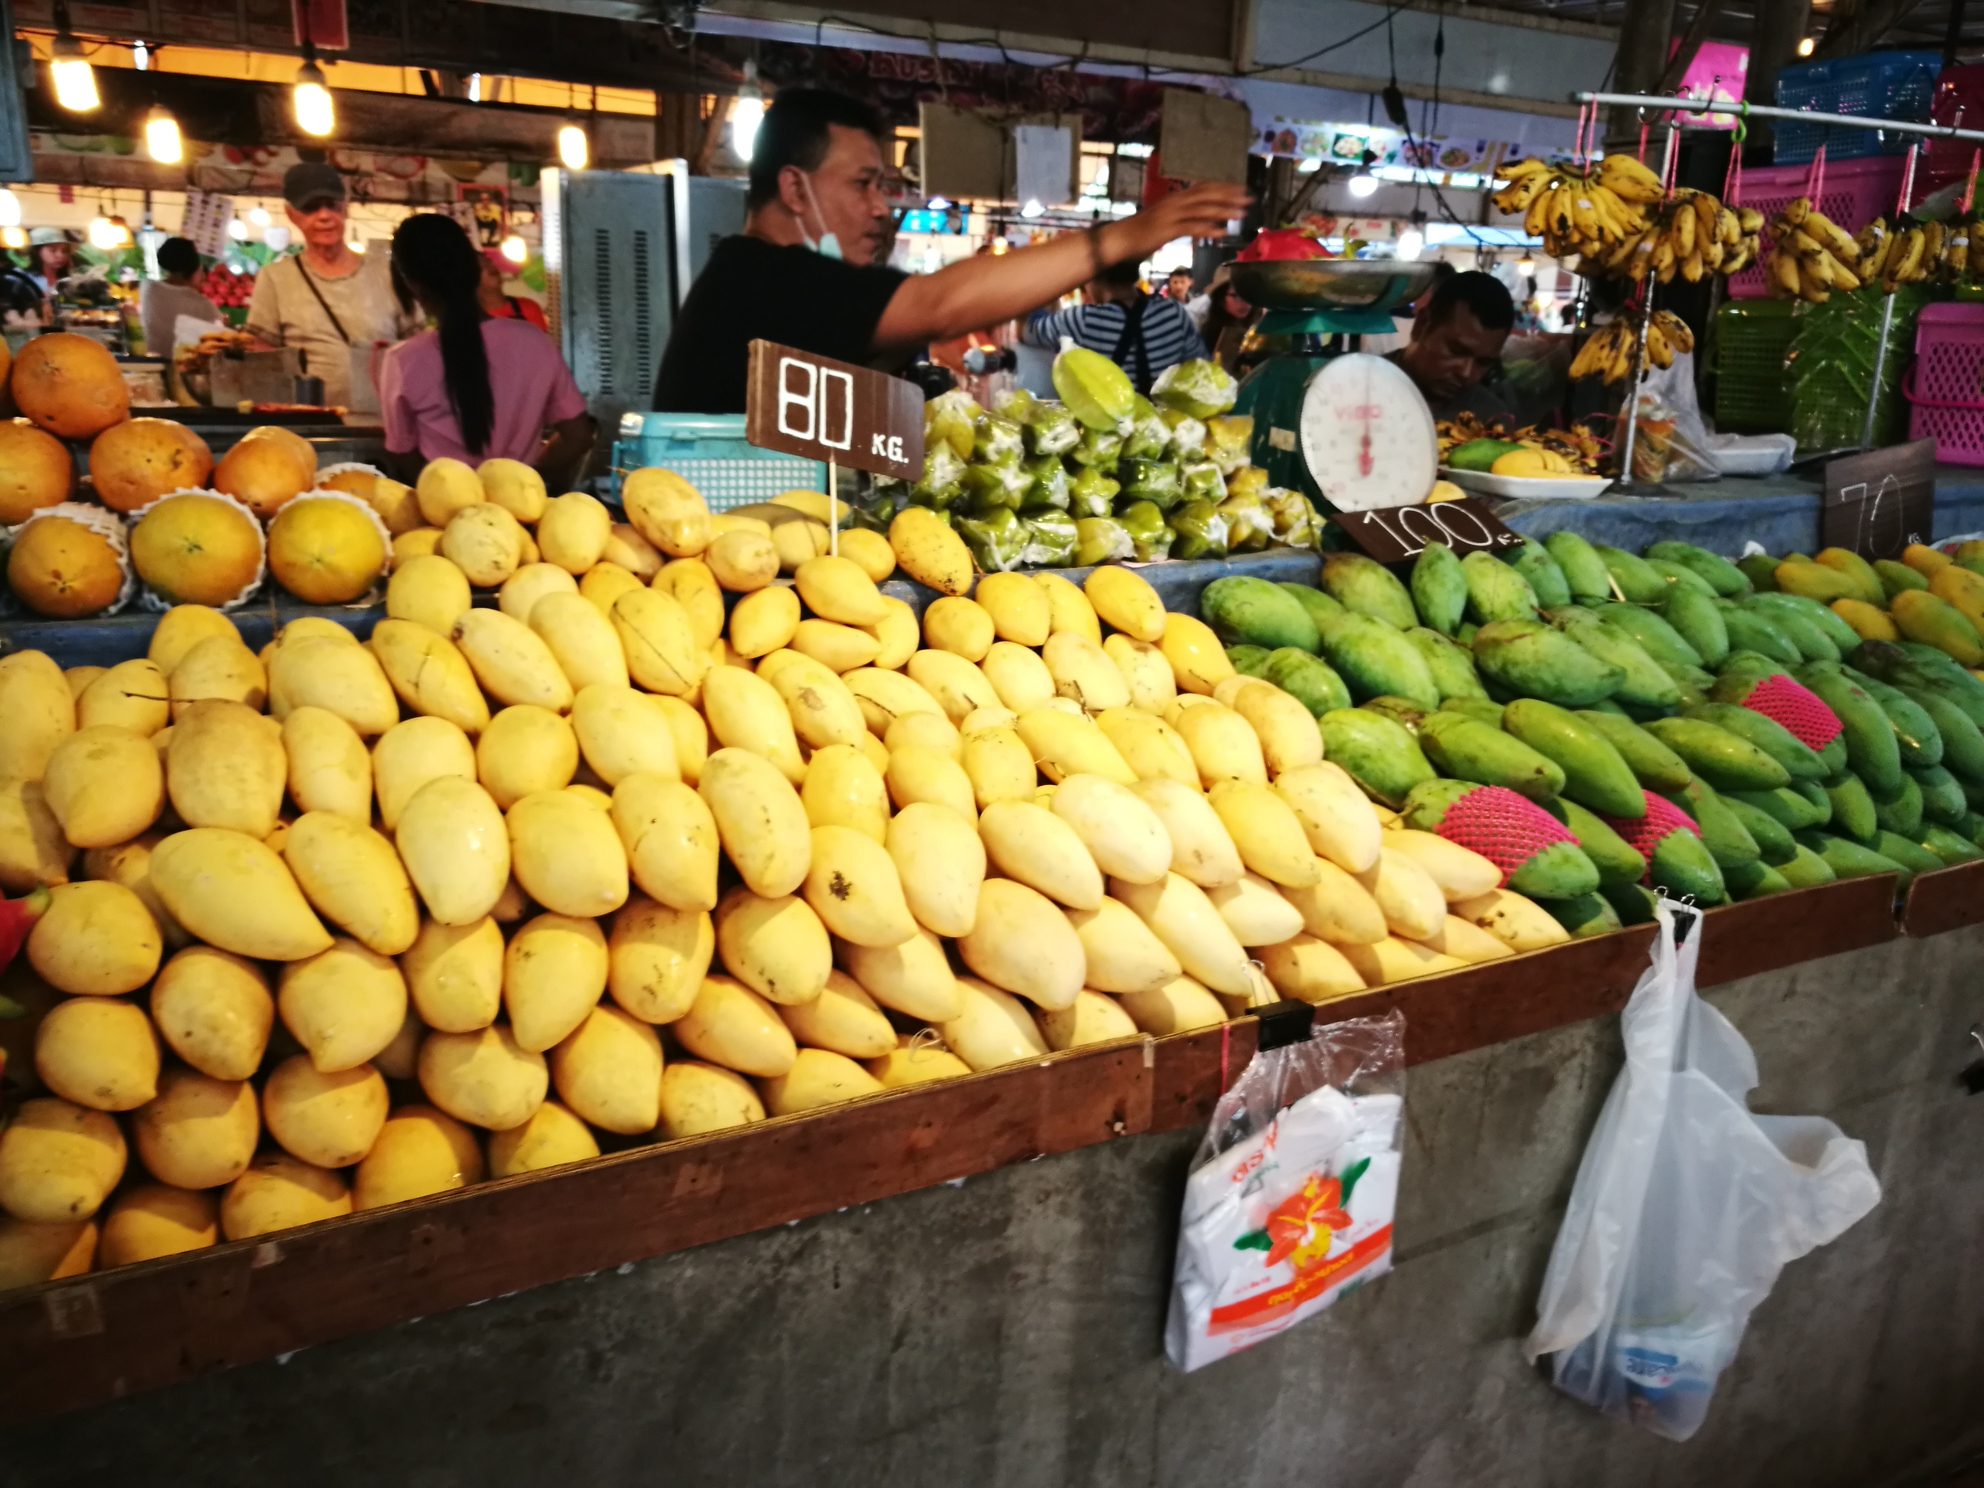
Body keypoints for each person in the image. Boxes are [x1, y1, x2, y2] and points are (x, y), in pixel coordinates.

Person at [652, 88, 1247, 414]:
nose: (881, 207)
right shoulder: (765, 277)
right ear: (793, 188)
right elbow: (938, 304)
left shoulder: (769, 278)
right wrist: (1124, 235)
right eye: (862, 185)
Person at [376, 213, 594, 492]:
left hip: (442, 518)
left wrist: (445, 493)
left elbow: (402, 450)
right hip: (517, 515)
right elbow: (578, 437)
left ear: (412, 284)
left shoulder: (402, 360)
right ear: (473, 269)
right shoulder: (534, 342)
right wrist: (527, 478)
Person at [246, 162, 419, 410]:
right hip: (311, 424)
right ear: (291, 214)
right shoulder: (275, 279)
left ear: (345, 206)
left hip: (386, 422)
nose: (325, 216)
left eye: (332, 204)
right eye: (310, 208)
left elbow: (418, 346)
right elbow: (261, 354)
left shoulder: (389, 273)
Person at [1020, 257, 1208, 394]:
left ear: (1092, 277)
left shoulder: (1083, 319)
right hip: (1163, 430)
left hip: (1106, 436)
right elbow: (1202, 366)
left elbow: (1028, 332)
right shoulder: (1172, 312)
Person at [1387, 269, 1516, 422]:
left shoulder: (1492, 419)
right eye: (1456, 351)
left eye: (1483, 363)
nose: (1466, 373)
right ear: (1421, 326)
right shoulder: (1360, 387)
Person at [139, 236, 222, 357]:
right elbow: (216, 334)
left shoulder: (148, 289)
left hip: (153, 362)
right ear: (194, 265)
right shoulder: (202, 304)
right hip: (185, 364)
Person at [478, 251, 548, 331]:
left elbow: (541, 342)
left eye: (489, 262)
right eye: (481, 266)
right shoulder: (468, 321)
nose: (490, 266)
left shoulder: (529, 308)